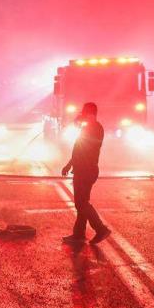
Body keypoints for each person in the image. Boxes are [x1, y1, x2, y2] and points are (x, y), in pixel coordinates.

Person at [61, 102, 111, 245]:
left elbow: (81, 149)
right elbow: (79, 149)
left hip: (85, 170)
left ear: (90, 114)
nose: (82, 115)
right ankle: (78, 234)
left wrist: (70, 164)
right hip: (85, 169)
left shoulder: (93, 129)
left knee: (81, 203)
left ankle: (100, 229)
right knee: (82, 203)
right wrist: (69, 165)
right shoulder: (91, 128)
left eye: (84, 113)